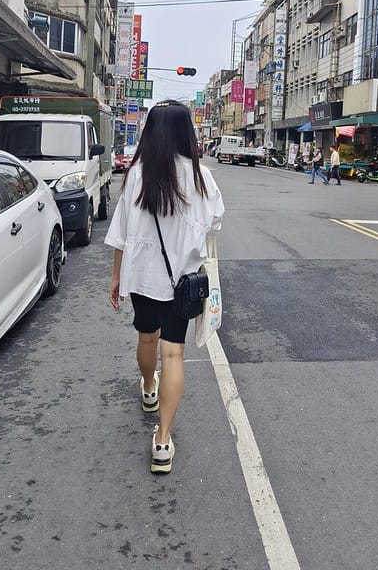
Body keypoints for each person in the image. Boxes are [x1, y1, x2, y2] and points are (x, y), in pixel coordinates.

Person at [105, 100, 225, 474]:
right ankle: (162, 441)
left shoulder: (136, 175)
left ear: (151, 132)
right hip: (183, 282)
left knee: (146, 340)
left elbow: (122, 235)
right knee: (173, 354)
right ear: (186, 133)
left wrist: (115, 278)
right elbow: (214, 224)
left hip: (142, 279)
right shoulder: (202, 177)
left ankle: (147, 388)